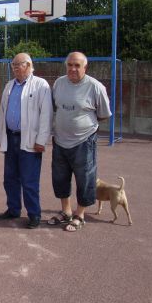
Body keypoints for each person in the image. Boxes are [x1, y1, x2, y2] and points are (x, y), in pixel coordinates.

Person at [48, 51, 112, 232]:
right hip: (60, 141)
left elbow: (103, 115)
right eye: (70, 65)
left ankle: (80, 215)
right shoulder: (59, 83)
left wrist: (83, 126)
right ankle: (66, 212)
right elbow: (55, 108)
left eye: (77, 65)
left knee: (85, 178)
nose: (73, 69)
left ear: (85, 67)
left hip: (84, 142)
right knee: (60, 178)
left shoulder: (95, 86)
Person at [0, 53, 53, 229]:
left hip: (30, 140)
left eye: (17, 65)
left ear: (28, 65)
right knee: (10, 178)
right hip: (10, 138)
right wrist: (0, 137)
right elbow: (2, 112)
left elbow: (46, 115)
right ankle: (13, 209)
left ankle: (34, 214)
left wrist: (41, 140)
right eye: (13, 65)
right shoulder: (9, 85)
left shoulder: (40, 85)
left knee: (29, 180)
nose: (14, 68)